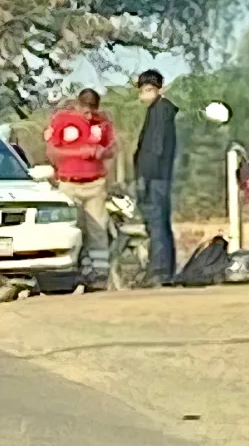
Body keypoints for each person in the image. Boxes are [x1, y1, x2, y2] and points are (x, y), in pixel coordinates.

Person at [44, 89, 116, 288]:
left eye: (93, 110)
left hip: (95, 184)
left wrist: (102, 153)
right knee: (74, 230)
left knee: (98, 229)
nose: (89, 115)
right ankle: (75, 271)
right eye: (85, 110)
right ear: (78, 105)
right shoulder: (62, 120)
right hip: (69, 183)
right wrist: (80, 152)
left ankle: (100, 274)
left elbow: (112, 149)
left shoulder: (102, 123)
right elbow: (52, 151)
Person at [132, 70, 179, 285]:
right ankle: (162, 270)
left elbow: (156, 148)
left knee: (157, 223)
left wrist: (144, 178)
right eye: (143, 90)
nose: (145, 94)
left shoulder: (161, 111)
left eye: (149, 90)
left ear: (159, 89)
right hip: (158, 176)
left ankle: (159, 271)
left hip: (155, 177)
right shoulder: (158, 110)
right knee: (159, 224)